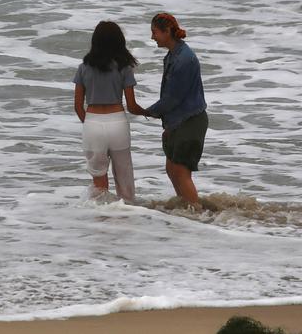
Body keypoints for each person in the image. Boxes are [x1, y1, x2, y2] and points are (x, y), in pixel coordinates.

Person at [72, 20, 148, 202]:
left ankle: (103, 223)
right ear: (118, 41)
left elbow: (77, 105)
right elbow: (131, 105)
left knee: (99, 184)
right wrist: (151, 113)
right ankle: (127, 220)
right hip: (117, 123)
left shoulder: (83, 68)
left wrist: (91, 122)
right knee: (125, 180)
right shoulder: (124, 67)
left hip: (93, 123)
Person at [139, 12, 209, 208]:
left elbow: (173, 98)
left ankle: (195, 212)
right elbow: (171, 98)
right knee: (172, 169)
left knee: (180, 172)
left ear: (167, 31)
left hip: (191, 120)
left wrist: (147, 111)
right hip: (181, 121)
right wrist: (168, 125)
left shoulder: (183, 60)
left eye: (154, 32)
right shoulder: (173, 55)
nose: (152, 37)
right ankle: (187, 209)